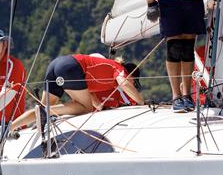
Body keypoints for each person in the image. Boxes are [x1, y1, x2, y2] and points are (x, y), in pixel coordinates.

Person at [11, 54, 143, 128]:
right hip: (71, 67)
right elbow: (124, 83)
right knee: (85, 109)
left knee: (42, 108)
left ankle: (8, 128)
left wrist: (100, 106)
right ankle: (47, 113)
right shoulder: (120, 69)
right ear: (130, 74)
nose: (133, 84)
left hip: (57, 64)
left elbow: (89, 93)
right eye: (134, 81)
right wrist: (142, 103)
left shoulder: (106, 74)